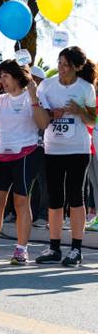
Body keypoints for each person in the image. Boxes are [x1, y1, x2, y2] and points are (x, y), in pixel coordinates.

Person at [34, 46, 97, 266]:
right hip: (53, 148)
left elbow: (93, 120)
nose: (61, 68)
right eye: (59, 63)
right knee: (55, 198)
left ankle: (76, 249)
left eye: (67, 65)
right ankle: (54, 248)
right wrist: (52, 113)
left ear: (77, 67)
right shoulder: (46, 85)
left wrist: (80, 111)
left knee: (75, 197)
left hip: (78, 149)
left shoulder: (86, 88)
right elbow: (39, 116)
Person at [0, 60, 49, 265]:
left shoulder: (32, 96)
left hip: (26, 152)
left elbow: (43, 123)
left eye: (5, 76)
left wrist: (33, 96)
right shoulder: (1, 99)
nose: (2, 80)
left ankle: (21, 249)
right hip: (2, 152)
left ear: (17, 77)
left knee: (21, 200)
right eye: (0, 76)